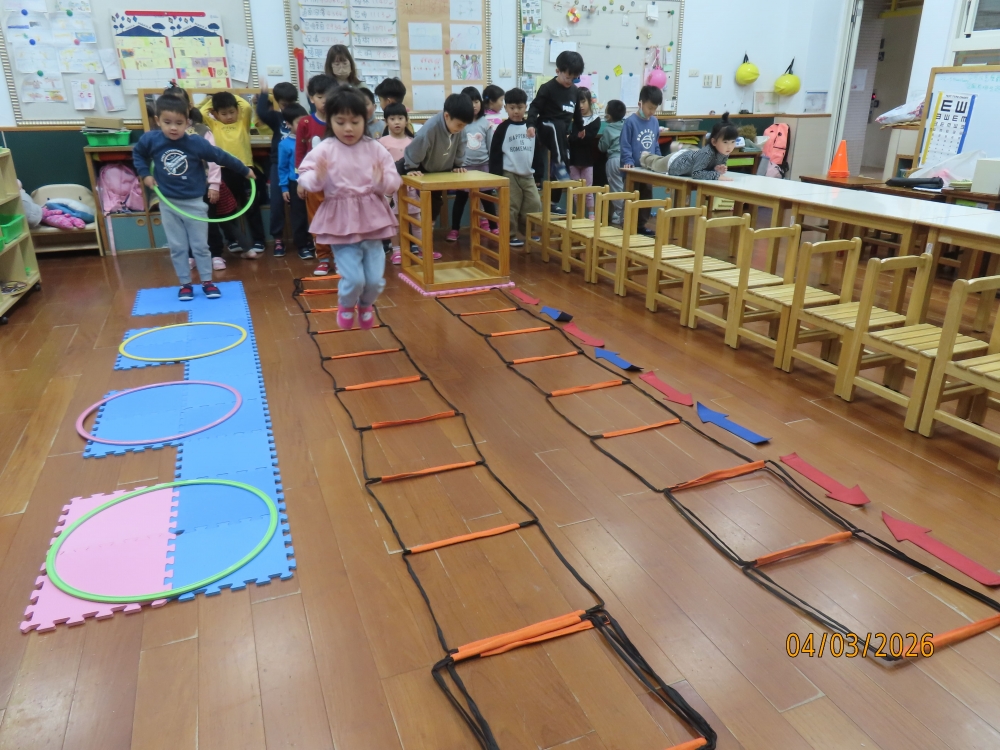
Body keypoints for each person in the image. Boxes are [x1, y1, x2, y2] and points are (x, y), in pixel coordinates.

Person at [297, 86, 401, 330]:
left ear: (365, 120)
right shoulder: (325, 148)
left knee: (374, 280)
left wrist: (381, 182)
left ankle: (365, 304)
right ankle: (346, 304)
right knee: (353, 278)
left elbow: (393, 180)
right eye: (340, 122)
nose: (348, 128)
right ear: (330, 121)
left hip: (372, 219)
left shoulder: (374, 147)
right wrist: (317, 179)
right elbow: (305, 175)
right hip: (340, 222)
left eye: (355, 122)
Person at [134, 95, 254, 301]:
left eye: (179, 123)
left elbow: (220, 156)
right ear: (157, 120)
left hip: (195, 203)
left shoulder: (195, 143)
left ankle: (207, 282)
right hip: (169, 204)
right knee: (178, 247)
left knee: (200, 246)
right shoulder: (151, 140)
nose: (173, 128)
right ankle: (185, 284)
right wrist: (145, 174)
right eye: (167, 122)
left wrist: (244, 170)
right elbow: (137, 154)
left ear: (187, 122)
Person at [161, 85, 244, 270]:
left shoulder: (200, 130)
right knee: (184, 224)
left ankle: (215, 254)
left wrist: (214, 185)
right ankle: (191, 255)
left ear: (189, 106)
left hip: (202, 186)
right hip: (176, 189)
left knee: (208, 221)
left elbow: (214, 158)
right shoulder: (162, 135)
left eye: (180, 103)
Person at [402, 93, 472, 257]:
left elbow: (461, 147)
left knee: (433, 209)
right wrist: (411, 167)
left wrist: (457, 166)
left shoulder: (459, 129)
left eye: (464, 125)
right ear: (446, 116)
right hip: (419, 168)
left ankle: (424, 246)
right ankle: (413, 246)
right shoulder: (431, 128)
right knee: (415, 209)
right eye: (459, 124)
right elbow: (416, 149)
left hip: (439, 171)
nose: (461, 128)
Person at [198, 91, 267, 255]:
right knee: (227, 208)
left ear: (237, 110)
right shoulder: (214, 125)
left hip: (245, 172)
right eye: (223, 114)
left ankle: (259, 240)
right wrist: (212, 98)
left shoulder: (242, 122)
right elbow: (202, 112)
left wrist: (231, 93)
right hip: (223, 172)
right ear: (215, 114)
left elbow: (246, 106)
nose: (229, 116)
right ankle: (232, 240)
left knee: (251, 207)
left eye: (232, 112)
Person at [526, 50, 585, 192]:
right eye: (567, 77)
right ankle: (559, 164)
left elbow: (577, 112)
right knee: (556, 126)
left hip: (561, 133)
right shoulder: (547, 88)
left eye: (574, 79)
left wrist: (580, 127)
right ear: (558, 71)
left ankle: (554, 199)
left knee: (566, 156)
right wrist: (530, 125)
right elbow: (534, 107)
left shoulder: (575, 91)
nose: (570, 81)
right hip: (545, 126)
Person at [489, 87, 540, 248]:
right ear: (506, 108)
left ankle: (529, 232)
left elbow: (537, 152)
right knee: (510, 206)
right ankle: (510, 235)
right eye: (512, 108)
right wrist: (496, 176)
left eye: (519, 107)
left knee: (534, 204)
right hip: (508, 174)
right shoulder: (502, 129)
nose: (516, 111)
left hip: (528, 175)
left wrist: (539, 175)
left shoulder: (531, 128)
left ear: (526, 107)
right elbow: (495, 153)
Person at [257, 77, 299, 256]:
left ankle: (302, 239)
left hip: (297, 165)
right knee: (276, 201)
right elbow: (261, 112)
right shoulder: (276, 117)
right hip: (277, 164)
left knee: (299, 203)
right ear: (278, 102)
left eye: (290, 103)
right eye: (283, 104)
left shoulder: (300, 116)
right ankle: (278, 239)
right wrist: (263, 93)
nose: (287, 107)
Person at [297, 74, 333, 269]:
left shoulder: (340, 121)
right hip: (314, 182)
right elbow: (300, 153)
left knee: (341, 219)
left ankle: (343, 258)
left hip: (338, 182)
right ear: (311, 98)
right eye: (320, 96)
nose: (325, 101)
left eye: (329, 96)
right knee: (317, 219)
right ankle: (324, 258)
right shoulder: (305, 123)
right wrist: (301, 181)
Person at [448, 86, 493, 242]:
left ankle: (493, 226)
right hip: (464, 169)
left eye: (476, 101)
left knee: (487, 199)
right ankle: (454, 229)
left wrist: (492, 168)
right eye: (469, 102)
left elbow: (491, 146)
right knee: (460, 200)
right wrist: (456, 166)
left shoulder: (486, 124)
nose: (473, 105)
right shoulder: (460, 124)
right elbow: (455, 146)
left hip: (483, 167)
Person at [645, 113, 738, 182]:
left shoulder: (724, 152)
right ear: (714, 142)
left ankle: (677, 146)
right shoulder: (707, 153)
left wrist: (716, 169)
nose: (729, 146)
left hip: (688, 156)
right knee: (654, 163)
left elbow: (705, 168)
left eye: (733, 142)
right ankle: (645, 156)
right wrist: (716, 176)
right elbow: (696, 173)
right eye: (725, 142)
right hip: (675, 162)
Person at [620, 85, 663, 235]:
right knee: (632, 196)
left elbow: (655, 143)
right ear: (640, 103)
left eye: (655, 109)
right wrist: (628, 161)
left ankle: (640, 226)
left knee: (646, 197)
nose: (652, 112)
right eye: (649, 108)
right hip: (633, 170)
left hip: (647, 169)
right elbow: (625, 144)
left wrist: (659, 160)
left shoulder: (654, 122)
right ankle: (628, 224)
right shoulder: (630, 122)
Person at [378, 103, 413, 259]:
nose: (397, 122)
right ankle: (397, 250)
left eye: (400, 118)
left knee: (415, 217)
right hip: (390, 189)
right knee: (395, 219)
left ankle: (421, 248)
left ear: (406, 120)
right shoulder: (381, 142)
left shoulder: (413, 141)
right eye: (392, 119)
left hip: (411, 188)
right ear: (386, 121)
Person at [278, 104, 313, 259]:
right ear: (288, 124)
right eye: (299, 122)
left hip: (313, 183)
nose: (304, 125)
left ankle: (313, 242)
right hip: (295, 184)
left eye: (306, 121)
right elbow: (282, 168)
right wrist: (284, 187)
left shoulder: (311, 141)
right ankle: (302, 245)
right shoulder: (284, 144)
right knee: (299, 216)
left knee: (314, 214)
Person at [566, 87, 602, 219]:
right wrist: (575, 137)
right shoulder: (573, 119)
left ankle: (591, 215)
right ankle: (579, 215)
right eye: (577, 103)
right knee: (576, 190)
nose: (580, 106)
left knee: (588, 190)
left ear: (589, 102)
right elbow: (571, 139)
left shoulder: (595, 120)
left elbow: (588, 138)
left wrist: (573, 137)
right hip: (574, 159)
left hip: (587, 160)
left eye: (583, 102)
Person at [598, 99, 626, 225]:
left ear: (608, 116)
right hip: (626, 160)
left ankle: (622, 215)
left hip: (614, 160)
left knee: (616, 189)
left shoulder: (608, 129)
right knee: (624, 187)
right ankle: (623, 213)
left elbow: (602, 147)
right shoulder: (626, 125)